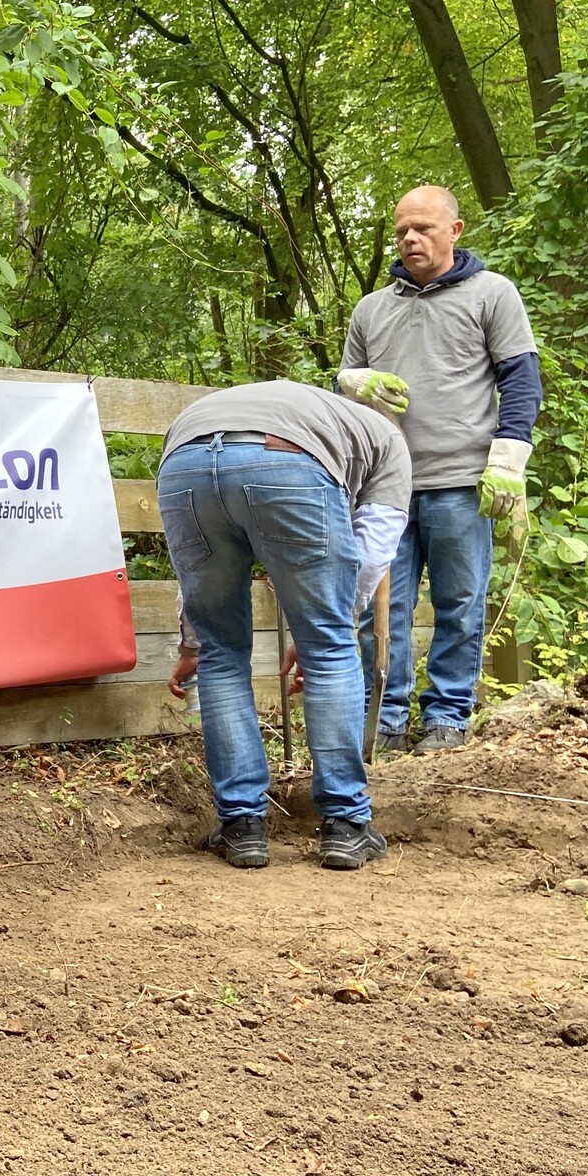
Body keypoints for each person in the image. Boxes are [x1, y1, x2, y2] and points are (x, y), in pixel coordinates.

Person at [161, 382, 412, 871]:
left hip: (184, 460)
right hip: (288, 463)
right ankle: (345, 825)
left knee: (220, 653)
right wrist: (326, 628)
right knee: (331, 650)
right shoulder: (389, 439)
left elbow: (191, 573)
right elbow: (373, 551)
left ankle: (240, 828)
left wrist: (193, 640)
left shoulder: (311, 408)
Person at [339, 185, 542, 754]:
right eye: (402, 228)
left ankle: (447, 717)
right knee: (380, 609)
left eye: (424, 228)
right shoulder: (372, 309)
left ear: (454, 231)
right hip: (384, 486)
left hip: (461, 480)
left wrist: (507, 460)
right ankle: (383, 718)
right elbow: (344, 389)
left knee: (459, 603)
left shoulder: (491, 295)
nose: (410, 238)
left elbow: (521, 379)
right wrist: (353, 383)